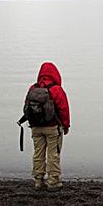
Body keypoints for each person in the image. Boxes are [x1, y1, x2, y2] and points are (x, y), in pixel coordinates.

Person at [23, 62, 70, 191]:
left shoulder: (33, 88)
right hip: (53, 127)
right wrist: (66, 126)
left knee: (38, 153)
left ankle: (38, 181)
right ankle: (53, 181)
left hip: (36, 127)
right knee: (53, 154)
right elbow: (63, 109)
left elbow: (26, 107)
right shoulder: (56, 89)